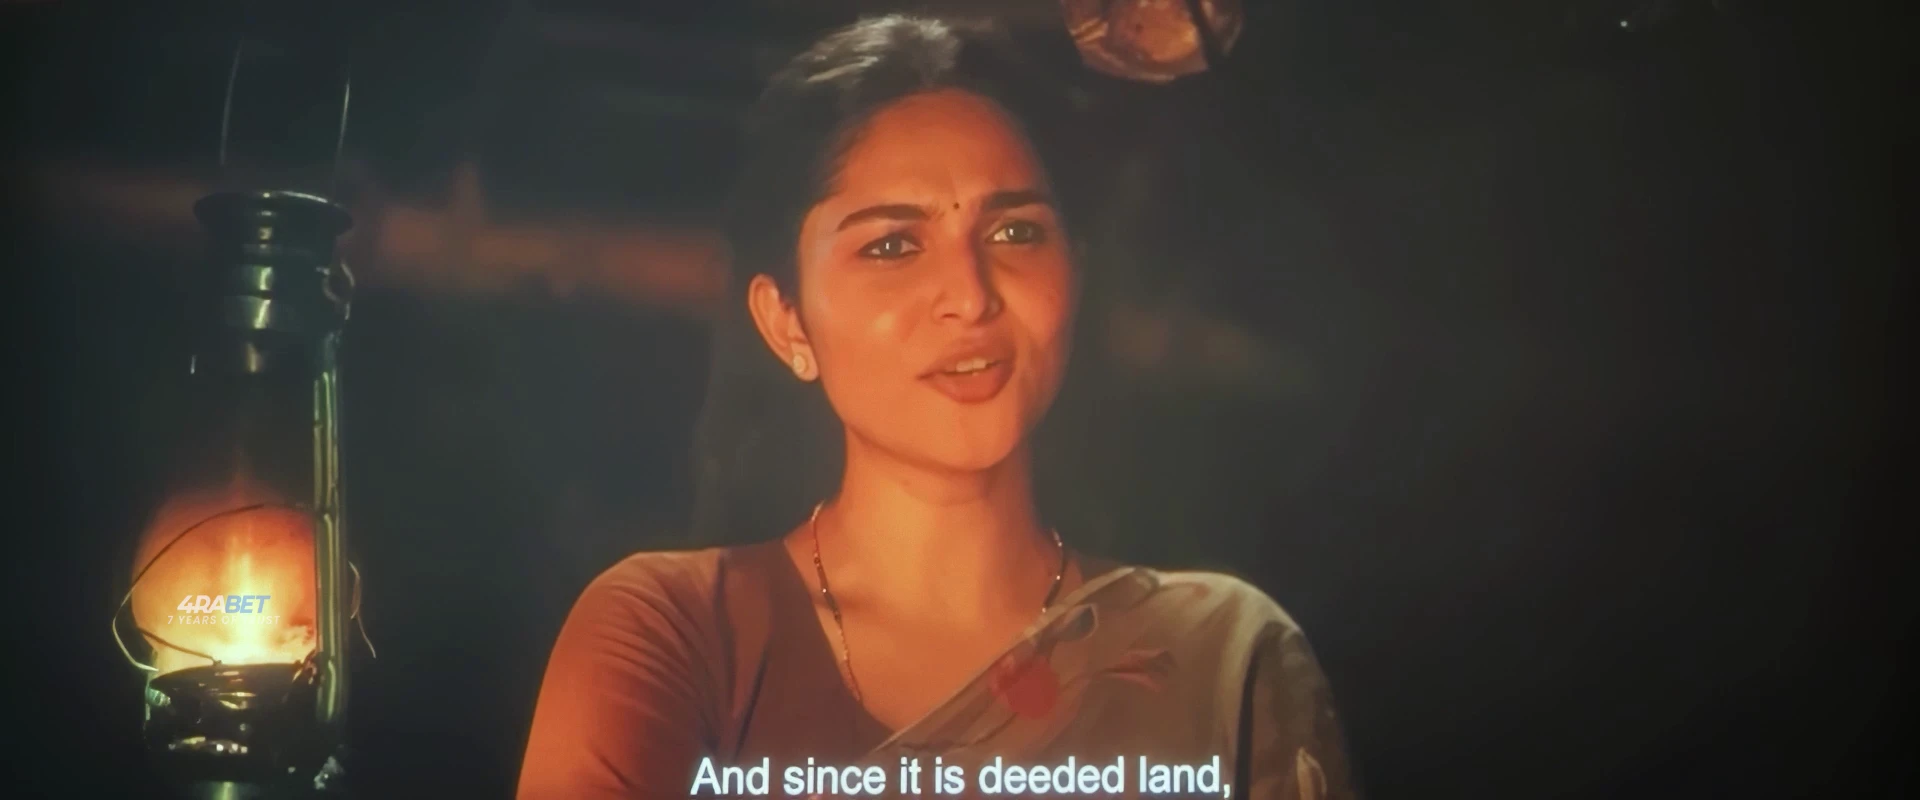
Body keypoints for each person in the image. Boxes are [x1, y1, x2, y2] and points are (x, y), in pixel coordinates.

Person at [518, 15, 1356, 800]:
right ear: (787, 322)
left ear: (1076, 271)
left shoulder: (1223, 661)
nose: (969, 295)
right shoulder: (676, 636)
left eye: (1015, 233)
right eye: (892, 245)